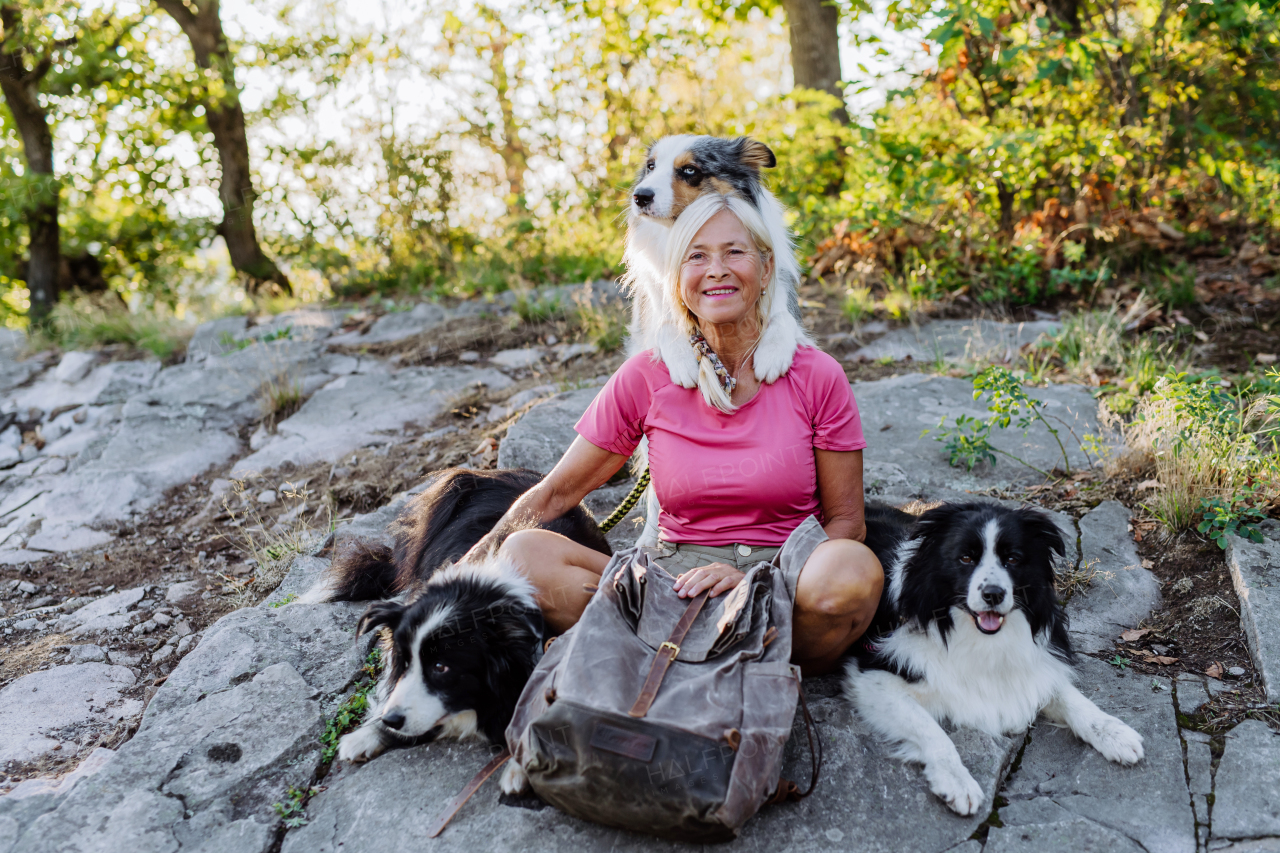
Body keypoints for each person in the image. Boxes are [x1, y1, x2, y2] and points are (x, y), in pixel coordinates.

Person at [465, 192, 883, 675]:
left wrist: (751, 578)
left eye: (735, 252)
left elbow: (848, 523)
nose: (717, 269)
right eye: (696, 256)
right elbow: (558, 491)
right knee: (524, 554)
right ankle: (722, 655)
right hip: (668, 586)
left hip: (782, 583)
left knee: (851, 572)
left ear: (766, 269)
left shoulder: (817, 375)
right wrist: (467, 564)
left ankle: (675, 654)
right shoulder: (647, 375)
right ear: (676, 278)